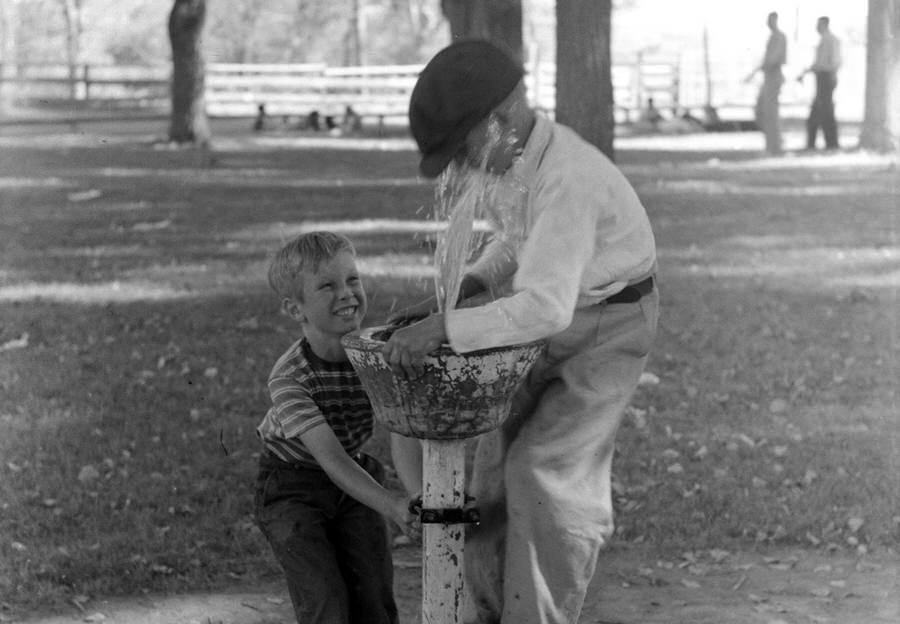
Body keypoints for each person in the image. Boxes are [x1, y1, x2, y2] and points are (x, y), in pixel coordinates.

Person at [383, 40, 659, 624]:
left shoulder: (569, 180)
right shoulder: (512, 158)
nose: (459, 166)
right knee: (490, 474)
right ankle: (489, 610)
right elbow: (516, 242)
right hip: (551, 313)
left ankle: (537, 616)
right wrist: (470, 287)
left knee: (545, 474)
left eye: (460, 149)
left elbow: (546, 307)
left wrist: (446, 327)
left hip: (610, 326)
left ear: (499, 120)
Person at [253, 231, 421, 624]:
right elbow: (328, 458)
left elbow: (403, 431)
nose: (346, 293)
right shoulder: (290, 378)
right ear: (296, 310)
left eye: (352, 279)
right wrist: (392, 505)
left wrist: (415, 501)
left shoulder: (377, 355)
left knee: (374, 600)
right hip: (292, 487)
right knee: (326, 602)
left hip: (354, 478)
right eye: (327, 286)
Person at [746, 11, 787, 154]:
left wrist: (763, 67)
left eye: (771, 20)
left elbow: (774, 59)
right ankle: (772, 144)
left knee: (771, 112)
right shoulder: (772, 37)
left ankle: (775, 145)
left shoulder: (780, 37)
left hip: (774, 76)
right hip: (768, 77)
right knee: (763, 110)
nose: (769, 23)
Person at [798, 16, 841, 150]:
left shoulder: (830, 40)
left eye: (819, 24)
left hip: (826, 78)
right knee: (817, 111)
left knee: (826, 111)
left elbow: (831, 62)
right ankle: (812, 143)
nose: (817, 27)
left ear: (825, 24)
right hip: (822, 77)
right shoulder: (824, 40)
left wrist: (832, 76)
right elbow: (818, 63)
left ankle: (831, 143)